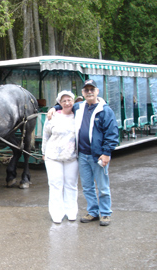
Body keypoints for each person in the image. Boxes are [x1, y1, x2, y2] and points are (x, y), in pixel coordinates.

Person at [47, 79, 119, 226]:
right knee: (87, 186)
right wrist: (53, 108)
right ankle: (93, 211)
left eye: (92, 89)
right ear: (83, 93)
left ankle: (105, 213)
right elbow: (65, 104)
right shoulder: (79, 107)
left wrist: (106, 152)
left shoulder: (105, 110)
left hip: (98, 155)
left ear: (97, 91)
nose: (89, 92)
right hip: (82, 155)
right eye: (86, 90)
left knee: (103, 186)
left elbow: (112, 133)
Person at [42, 90, 78, 224]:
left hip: (72, 156)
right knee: (55, 184)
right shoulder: (53, 116)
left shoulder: (78, 115)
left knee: (71, 184)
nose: (67, 103)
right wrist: (44, 153)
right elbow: (46, 135)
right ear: (59, 103)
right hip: (53, 156)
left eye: (69, 100)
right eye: (64, 101)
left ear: (73, 101)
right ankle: (57, 213)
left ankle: (71, 211)